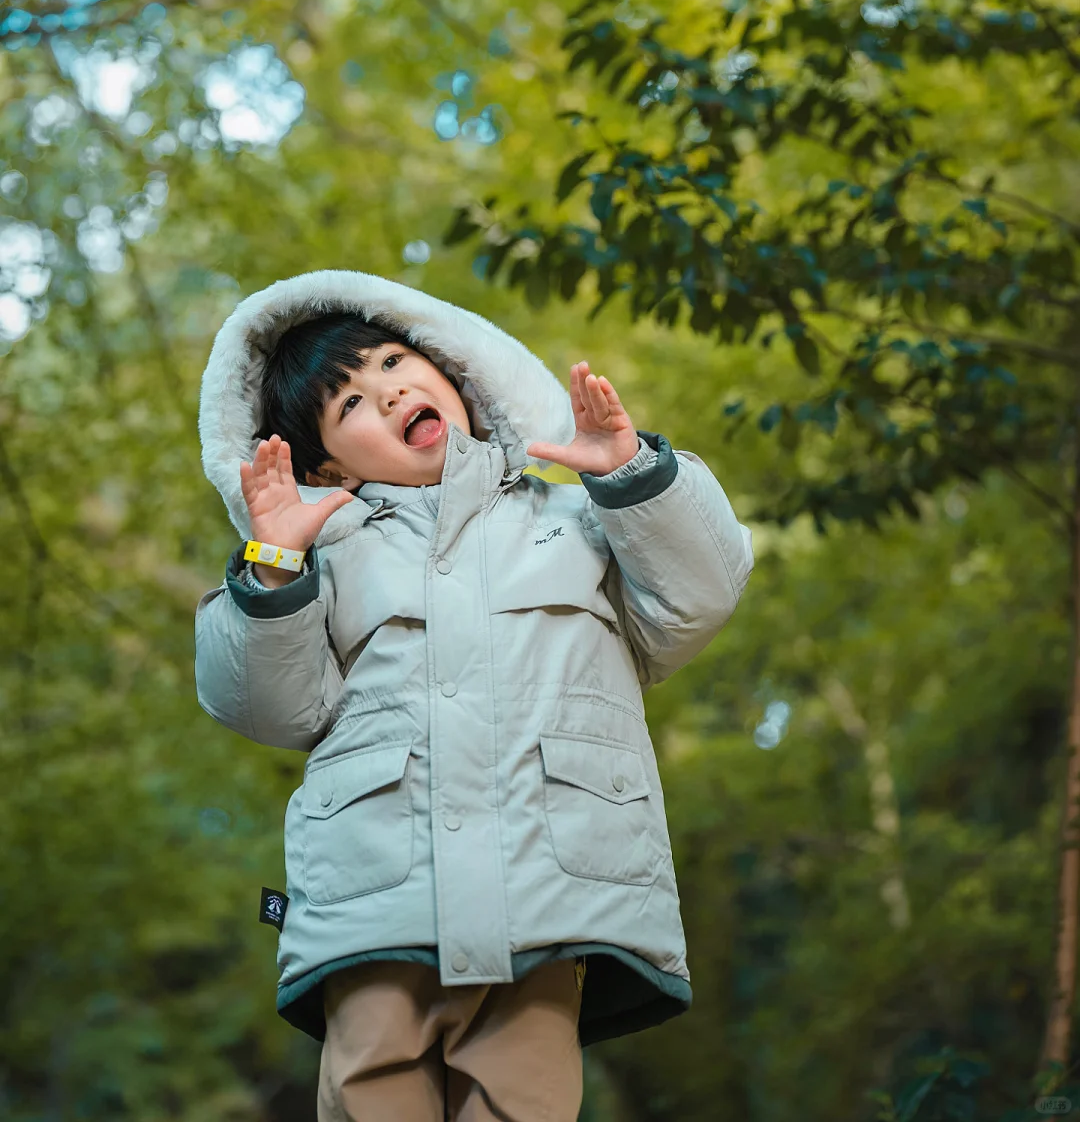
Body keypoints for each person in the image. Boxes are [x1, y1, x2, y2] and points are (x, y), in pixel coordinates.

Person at [194, 268, 754, 1122]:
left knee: (522, 1104)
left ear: (453, 370)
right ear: (323, 465)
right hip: (374, 905)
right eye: (347, 406)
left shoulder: (575, 521)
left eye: (391, 363)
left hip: (547, 893)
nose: (384, 395)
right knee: (373, 1098)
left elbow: (699, 595)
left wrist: (634, 475)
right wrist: (272, 562)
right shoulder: (320, 562)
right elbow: (269, 705)